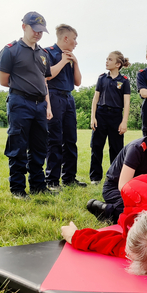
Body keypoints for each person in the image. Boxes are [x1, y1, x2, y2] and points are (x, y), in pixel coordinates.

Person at [0, 11, 53, 200]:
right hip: (20, 103)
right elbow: (4, 80)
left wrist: (46, 105)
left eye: (41, 31)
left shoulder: (43, 54)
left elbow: (44, 78)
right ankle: (18, 189)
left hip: (39, 105)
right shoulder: (10, 50)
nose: (38, 34)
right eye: (35, 29)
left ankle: (38, 185)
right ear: (24, 27)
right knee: (18, 146)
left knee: (39, 147)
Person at [87, 111, 147, 223]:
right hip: (115, 188)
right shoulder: (137, 148)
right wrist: (144, 203)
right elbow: (123, 186)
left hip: (141, 191)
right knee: (140, 214)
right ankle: (103, 209)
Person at [45, 24, 86, 189]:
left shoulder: (71, 56)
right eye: (74, 39)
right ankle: (52, 180)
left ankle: (69, 178)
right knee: (54, 139)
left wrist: (75, 62)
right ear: (65, 38)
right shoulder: (48, 52)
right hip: (54, 97)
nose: (76, 43)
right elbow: (48, 75)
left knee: (71, 139)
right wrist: (63, 61)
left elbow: (78, 82)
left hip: (69, 98)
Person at [90, 51, 131, 184]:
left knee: (116, 148)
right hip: (101, 114)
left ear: (118, 64)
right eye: (106, 59)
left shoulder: (124, 81)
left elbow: (126, 102)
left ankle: (115, 177)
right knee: (96, 146)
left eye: (110, 59)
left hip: (116, 116)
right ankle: (95, 178)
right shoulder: (102, 78)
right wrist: (93, 117)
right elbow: (95, 99)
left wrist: (124, 122)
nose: (106, 61)